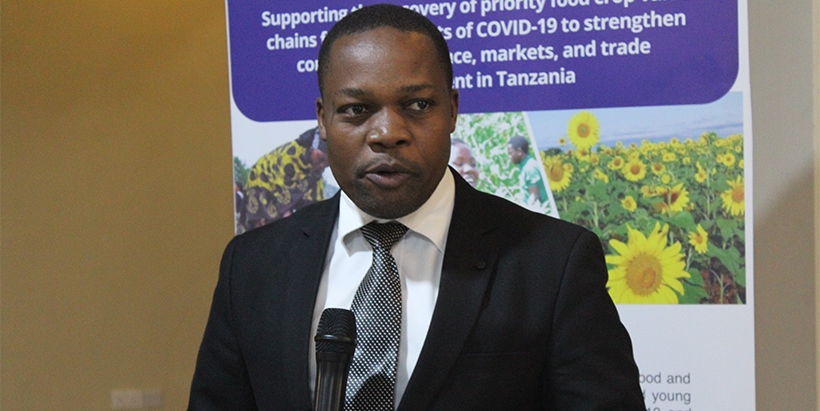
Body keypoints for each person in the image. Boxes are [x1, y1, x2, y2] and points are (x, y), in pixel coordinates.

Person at [189, 4, 643, 410]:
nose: (387, 132)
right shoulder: (252, 265)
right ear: (322, 119)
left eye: (418, 104)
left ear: (452, 111)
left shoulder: (553, 262)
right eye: (356, 109)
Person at [241, 127, 329, 230]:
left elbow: (314, 198)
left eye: (327, 164)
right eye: (320, 158)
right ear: (312, 148)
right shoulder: (290, 157)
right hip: (263, 182)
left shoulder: (315, 169)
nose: (322, 165)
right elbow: (285, 199)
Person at [507, 135, 548, 207]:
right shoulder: (524, 166)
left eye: (510, 153)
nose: (509, 156)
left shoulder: (530, 167)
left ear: (519, 151)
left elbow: (534, 197)